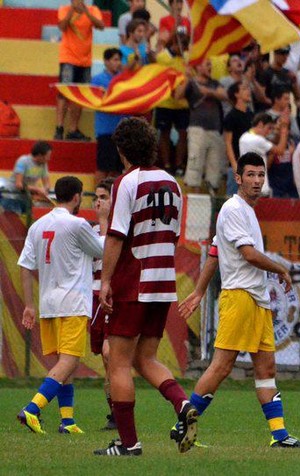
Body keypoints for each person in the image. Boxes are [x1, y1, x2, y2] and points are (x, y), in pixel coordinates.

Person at [177, 152, 300, 448]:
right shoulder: (233, 208)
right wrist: (280, 268)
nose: (256, 181)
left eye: (260, 175)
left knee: (266, 369)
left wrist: (198, 291)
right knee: (222, 367)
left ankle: (280, 436)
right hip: (239, 297)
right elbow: (248, 254)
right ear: (238, 178)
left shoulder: (246, 211)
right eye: (250, 175)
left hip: (258, 300)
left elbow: (214, 252)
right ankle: (181, 425)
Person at [94, 117, 197, 456]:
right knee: (146, 357)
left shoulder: (126, 182)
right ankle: (182, 404)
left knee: (119, 362)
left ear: (122, 149)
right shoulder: (173, 183)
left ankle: (128, 443)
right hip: (162, 282)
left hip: (133, 281)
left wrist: (106, 280)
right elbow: (173, 235)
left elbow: (116, 236)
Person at [16, 176, 104, 435]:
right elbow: (101, 250)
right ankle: (32, 409)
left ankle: (67, 422)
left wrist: (29, 305)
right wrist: (106, 222)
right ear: (77, 197)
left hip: (48, 303)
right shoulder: (78, 225)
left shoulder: (38, 226)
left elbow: (25, 265)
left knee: (64, 364)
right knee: (70, 361)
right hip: (73, 302)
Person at [174, 58, 227, 193]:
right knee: (195, 164)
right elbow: (177, 95)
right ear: (198, 67)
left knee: (214, 166)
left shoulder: (214, 83)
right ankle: (195, 200)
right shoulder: (191, 83)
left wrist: (209, 92)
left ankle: (212, 198)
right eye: (207, 64)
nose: (210, 67)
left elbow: (225, 95)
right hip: (197, 129)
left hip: (215, 130)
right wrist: (186, 79)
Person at [56, 0, 104, 141]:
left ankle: (73, 129)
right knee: (64, 93)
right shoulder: (64, 9)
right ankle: (59, 128)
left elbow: (101, 26)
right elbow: (62, 27)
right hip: (68, 57)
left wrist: (86, 12)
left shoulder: (93, 10)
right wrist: (72, 10)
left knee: (79, 94)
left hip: (85, 59)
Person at [90, 179, 116, 430]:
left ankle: (119, 411)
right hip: (92, 301)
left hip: (111, 300)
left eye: (104, 197)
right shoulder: (89, 233)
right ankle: (115, 412)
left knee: (111, 354)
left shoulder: (119, 233)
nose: (99, 201)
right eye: (96, 197)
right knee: (105, 359)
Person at [154, 32, 190, 174]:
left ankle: (180, 164)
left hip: (182, 104)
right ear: (173, 44)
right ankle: (167, 164)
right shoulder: (163, 57)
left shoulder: (187, 58)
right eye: (180, 44)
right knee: (164, 133)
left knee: (183, 133)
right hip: (165, 102)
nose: (182, 48)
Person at [92, 49, 127, 183]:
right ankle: (98, 196)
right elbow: (96, 100)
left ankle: (114, 196)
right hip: (105, 129)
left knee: (118, 168)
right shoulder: (97, 80)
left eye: (119, 60)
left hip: (121, 129)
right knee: (103, 166)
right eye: (114, 59)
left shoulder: (124, 79)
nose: (117, 63)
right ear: (106, 61)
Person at [239, 112, 289, 197]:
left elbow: (270, 146)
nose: (269, 132)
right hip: (260, 190)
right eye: (268, 128)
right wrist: (284, 129)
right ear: (260, 124)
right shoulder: (258, 140)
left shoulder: (244, 137)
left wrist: (277, 133)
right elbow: (280, 151)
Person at [1, 141, 52, 214]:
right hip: (12, 197)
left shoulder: (43, 164)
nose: (49, 159)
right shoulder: (23, 161)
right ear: (40, 155)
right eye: (48, 156)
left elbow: (47, 183)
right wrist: (37, 189)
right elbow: (19, 185)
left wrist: (45, 189)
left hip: (26, 198)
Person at [223, 81, 253, 196]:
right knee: (232, 200)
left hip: (250, 166)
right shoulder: (231, 116)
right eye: (244, 89)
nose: (248, 91)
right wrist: (234, 165)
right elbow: (228, 142)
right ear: (236, 94)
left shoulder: (251, 115)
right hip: (236, 166)